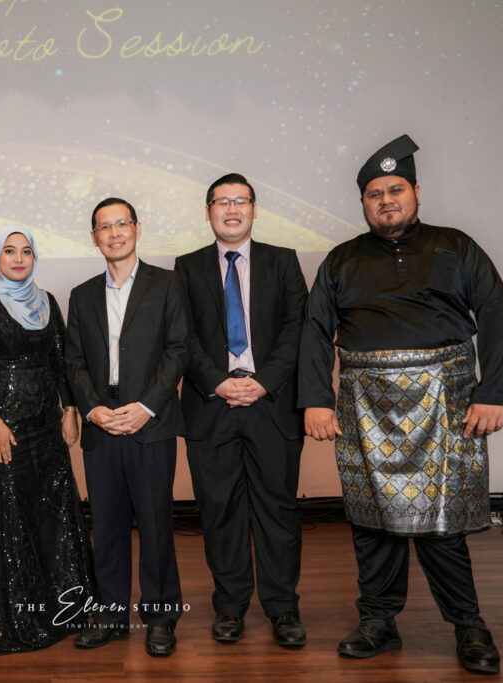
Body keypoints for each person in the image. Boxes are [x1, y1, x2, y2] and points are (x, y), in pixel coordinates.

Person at [298, 134, 503, 675]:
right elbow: (314, 332)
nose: (386, 201)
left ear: (417, 192)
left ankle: (469, 627)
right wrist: (317, 401)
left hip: (446, 403)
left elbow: (497, 314)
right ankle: (378, 621)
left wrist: (494, 392)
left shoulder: (456, 246)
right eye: (375, 194)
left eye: (395, 190)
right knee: (373, 522)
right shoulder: (342, 259)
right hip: (365, 407)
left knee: (442, 525)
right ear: (363, 203)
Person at [174, 173, 309, 648]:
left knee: (278, 512)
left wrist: (263, 381)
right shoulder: (186, 267)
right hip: (211, 403)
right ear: (208, 211)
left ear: (253, 209)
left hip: (271, 403)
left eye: (240, 201)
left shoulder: (283, 261)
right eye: (222, 202)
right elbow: (182, 336)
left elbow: (297, 329)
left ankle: (283, 609)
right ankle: (229, 608)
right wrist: (217, 381)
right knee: (219, 512)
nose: (231, 210)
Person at [0, 226, 96, 654]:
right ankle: (12, 614)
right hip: (4, 426)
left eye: (26, 251)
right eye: (9, 251)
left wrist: (69, 410)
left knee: (53, 508)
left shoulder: (47, 301)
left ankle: (61, 606)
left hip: (45, 424)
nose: (18, 259)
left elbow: (60, 361)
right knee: (9, 511)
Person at [65, 198, 189, 657]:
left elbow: (179, 350)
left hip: (149, 420)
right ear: (93, 237)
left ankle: (160, 618)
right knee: (108, 524)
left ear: (137, 228)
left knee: (155, 524)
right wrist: (92, 409)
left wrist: (147, 406)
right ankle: (111, 615)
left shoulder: (168, 283)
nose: (114, 233)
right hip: (101, 422)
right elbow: (74, 360)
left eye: (122, 224)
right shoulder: (81, 295)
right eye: (105, 227)